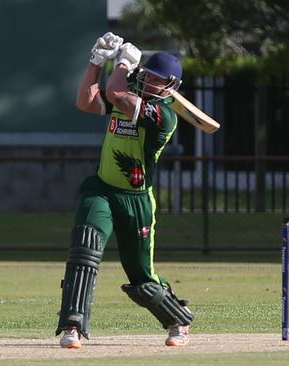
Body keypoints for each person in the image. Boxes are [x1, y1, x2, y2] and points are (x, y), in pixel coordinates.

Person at [55, 32, 193, 349]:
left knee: (142, 279)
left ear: (169, 86)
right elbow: (86, 101)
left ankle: (178, 319)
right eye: (146, 76)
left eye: (156, 80)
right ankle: (72, 327)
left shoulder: (163, 116)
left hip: (136, 200)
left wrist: (124, 64)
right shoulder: (127, 96)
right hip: (102, 189)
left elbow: (116, 91)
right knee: (84, 251)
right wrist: (96, 62)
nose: (147, 83)